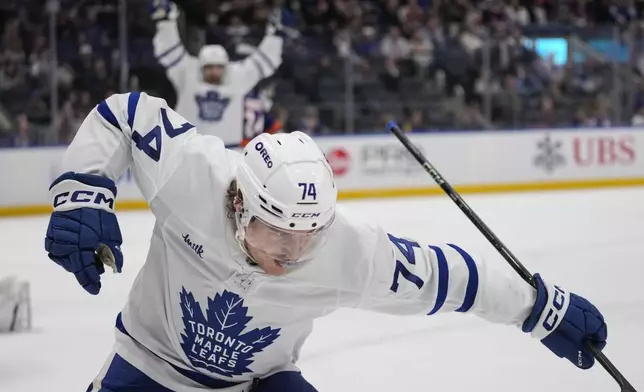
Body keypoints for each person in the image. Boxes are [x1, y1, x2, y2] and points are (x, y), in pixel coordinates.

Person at [44, 92, 607, 392]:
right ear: (239, 204)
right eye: (280, 232)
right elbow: (124, 115)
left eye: (309, 233)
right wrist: (83, 189)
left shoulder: (344, 250)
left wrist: (541, 309)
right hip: (148, 369)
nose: (294, 250)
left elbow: (449, 276)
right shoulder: (194, 178)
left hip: (257, 385)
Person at [152, 0, 284, 146]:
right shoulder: (187, 74)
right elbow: (168, 51)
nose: (214, 71)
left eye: (218, 67)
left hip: (229, 151)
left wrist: (276, 35)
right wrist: (166, 22)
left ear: (225, 67)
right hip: (189, 150)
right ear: (201, 67)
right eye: (209, 67)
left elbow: (266, 60)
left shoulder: (237, 78)